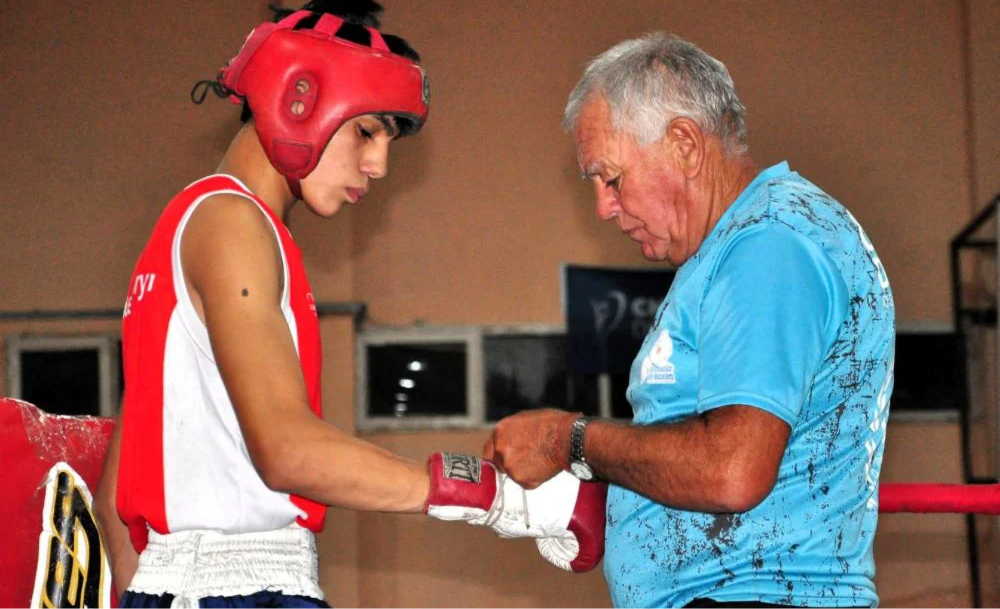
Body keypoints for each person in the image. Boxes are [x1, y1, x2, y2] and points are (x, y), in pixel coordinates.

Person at [92, 2, 606, 608]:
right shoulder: (232, 224)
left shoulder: (189, 223)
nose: (378, 165)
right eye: (366, 131)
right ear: (297, 99)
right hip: (234, 590)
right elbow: (287, 451)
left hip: (181, 585)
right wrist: (499, 498)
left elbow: (114, 498)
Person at [485, 32, 895, 609]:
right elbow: (716, 453)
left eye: (611, 178)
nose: (604, 207)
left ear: (684, 143)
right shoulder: (738, 247)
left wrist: (569, 441)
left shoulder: (769, 245)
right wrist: (603, 487)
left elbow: (731, 469)